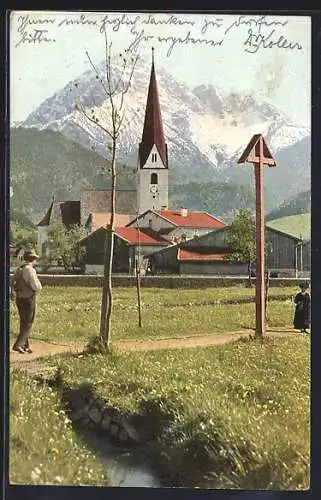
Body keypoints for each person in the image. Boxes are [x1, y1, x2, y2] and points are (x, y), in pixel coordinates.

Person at [11, 248, 42, 354]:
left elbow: (13, 282)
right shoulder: (30, 270)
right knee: (28, 322)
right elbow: (37, 286)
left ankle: (25, 345)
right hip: (28, 298)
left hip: (19, 298)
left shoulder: (19, 269)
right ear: (33, 259)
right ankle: (18, 344)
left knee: (23, 321)